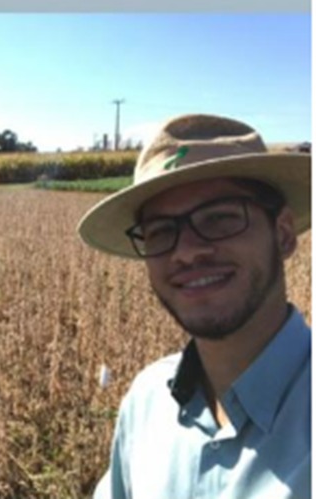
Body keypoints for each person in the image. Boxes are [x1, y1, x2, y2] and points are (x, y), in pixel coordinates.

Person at [77, 114, 311, 498]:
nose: (186, 252)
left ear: (282, 234)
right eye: (161, 231)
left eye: (218, 218)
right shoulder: (146, 401)